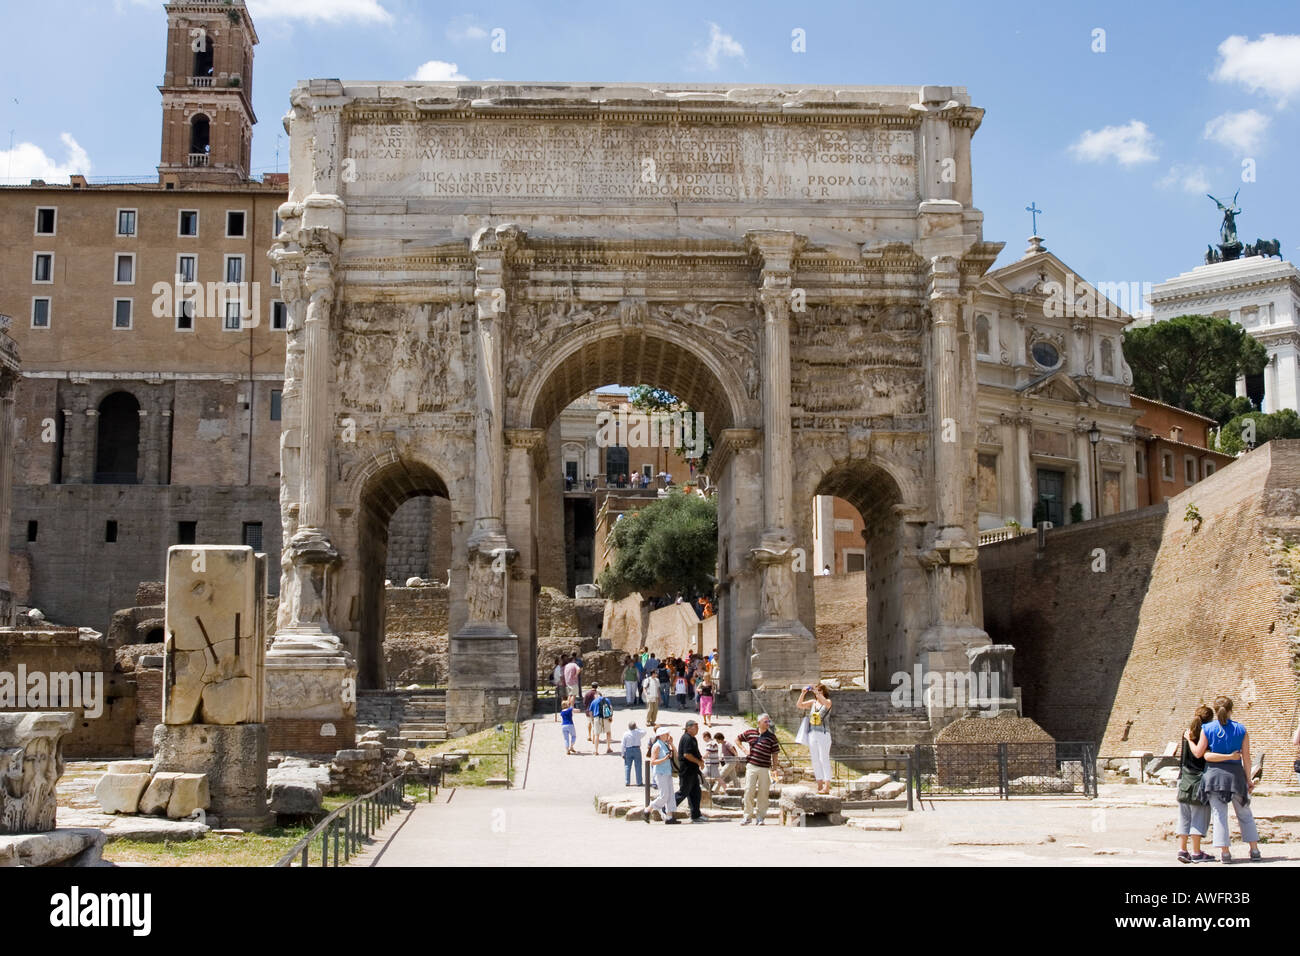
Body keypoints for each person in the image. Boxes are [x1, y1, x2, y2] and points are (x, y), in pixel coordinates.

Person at [1186, 695, 1260, 863]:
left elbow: (1199, 753)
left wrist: (1190, 740)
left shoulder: (1207, 728)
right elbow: (1246, 757)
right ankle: (1254, 850)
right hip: (1236, 777)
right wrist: (1249, 779)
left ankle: (1225, 853)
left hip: (1214, 778)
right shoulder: (1241, 729)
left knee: (1219, 815)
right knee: (1245, 813)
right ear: (1231, 709)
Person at [1175, 705, 1215, 863]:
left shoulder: (1187, 733)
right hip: (1199, 780)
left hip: (1185, 779)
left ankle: (1182, 850)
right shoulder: (1207, 734)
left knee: (1184, 817)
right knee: (1199, 816)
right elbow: (1201, 755)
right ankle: (1197, 852)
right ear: (1210, 719)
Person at [737, 714, 782, 826]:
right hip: (751, 765)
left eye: (768, 721)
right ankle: (747, 816)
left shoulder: (772, 737)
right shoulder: (750, 733)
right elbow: (737, 739)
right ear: (759, 723)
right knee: (748, 790)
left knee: (763, 793)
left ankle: (760, 817)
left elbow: (775, 754)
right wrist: (743, 749)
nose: (768, 723)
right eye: (765, 721)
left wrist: (774, 769)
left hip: (765, 768)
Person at [797, 683, 834, 794]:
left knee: (824, 759)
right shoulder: (813, 703)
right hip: (812, 733)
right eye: (816, 690)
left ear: (823, 692)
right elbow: (799, 705)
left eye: (820, 690)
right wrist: (803, 693)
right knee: (815, 760)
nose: (817, 692)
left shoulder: (828, 702)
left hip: (823, 734)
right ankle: (819, 785)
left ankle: (827, 786)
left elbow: (827, 704)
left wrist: (818, 693)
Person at [646, 728, 680, 824]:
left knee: (670, 795)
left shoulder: (665, 745)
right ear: (661, 735)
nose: (667, 735)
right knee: (664, 795)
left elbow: (676, 754)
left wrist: (671, 743)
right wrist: (664, 759)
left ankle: (669, 817)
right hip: (660, 772)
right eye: (666, 734)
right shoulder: (657, 746)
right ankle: (648, 809)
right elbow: (652, 761)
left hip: (667, 772)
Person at [675, 720, 705, 822]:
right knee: (683, 792)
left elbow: (695, 752)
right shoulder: (686, 738)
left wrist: (700, 760)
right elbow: (686, 755)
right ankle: (666, 809)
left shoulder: (693, 739)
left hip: (693, 771)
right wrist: (699, 762)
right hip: (687, 771)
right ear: (688, 728)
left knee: (695, 793)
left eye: (698, 727)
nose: (697, 729)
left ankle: (696, 815)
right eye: (695, 727)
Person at [589, 686, 616, 754]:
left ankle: (596, 750)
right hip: (606, 718)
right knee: (608, 732)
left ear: (596, 695)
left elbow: (590, 712)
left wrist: (592, 720)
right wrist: (611, 717)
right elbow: (611, 708)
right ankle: (608, 748)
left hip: (597, 718)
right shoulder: (606, 700)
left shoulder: (594, 701)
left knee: (597, 734)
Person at [622, 721, 645, 787]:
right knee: (638, 766)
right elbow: (644, 732)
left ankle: (627, 781)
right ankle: (639, 781)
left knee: (627, 766)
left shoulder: (626, 734)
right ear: (635, 726)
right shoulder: (638, 733)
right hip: (637, 749)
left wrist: (623, 753)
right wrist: (638, 728)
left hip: (628, 749)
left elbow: (623, 744)